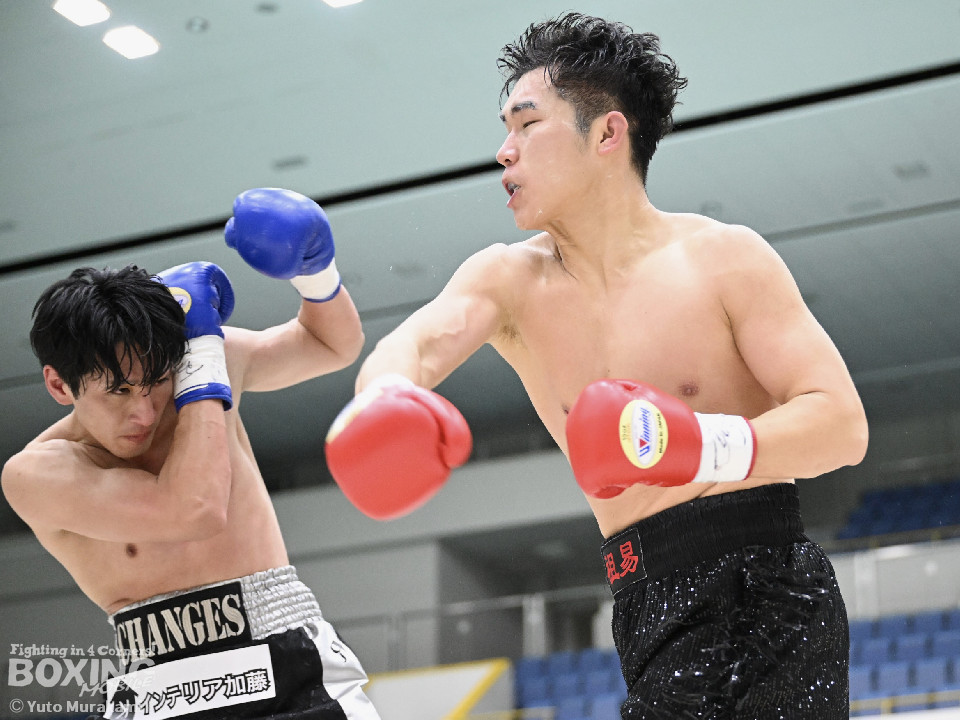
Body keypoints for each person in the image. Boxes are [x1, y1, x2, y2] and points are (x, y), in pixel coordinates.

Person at [324, 13, 868, 719]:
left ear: (608, 134)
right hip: (644, 597)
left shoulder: (723, 258)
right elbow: (416, 346)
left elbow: (841, 425)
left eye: (527, 125)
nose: (503, 151)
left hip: (771, 588)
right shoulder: (507, 281)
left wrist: (695, 443)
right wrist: (383, 399)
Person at [1, 188, 381, 720]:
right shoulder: (38, 473)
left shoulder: (202, 357)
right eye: (117, 391)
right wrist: (203, 358)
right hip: (159, 690)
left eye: (157, 381)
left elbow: (330, 345)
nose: (144, 411)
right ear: (59, 385)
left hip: (287, 660)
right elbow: (194, 510)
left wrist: (314, 273)